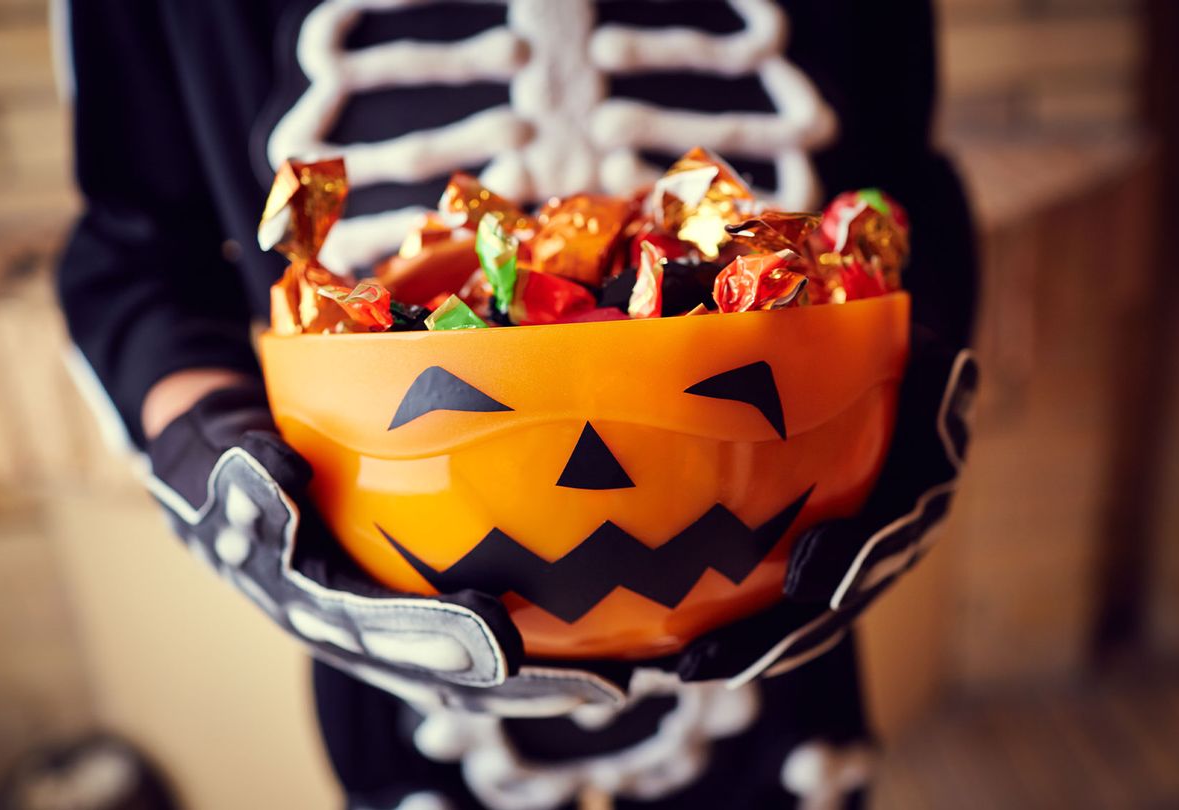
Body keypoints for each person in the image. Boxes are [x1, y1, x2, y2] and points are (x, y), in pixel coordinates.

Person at [57, 1, 977, 807]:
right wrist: (219, 463)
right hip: (399, 638)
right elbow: (134, 256)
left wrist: (908, 405)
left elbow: (907, 187)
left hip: (784, 597)